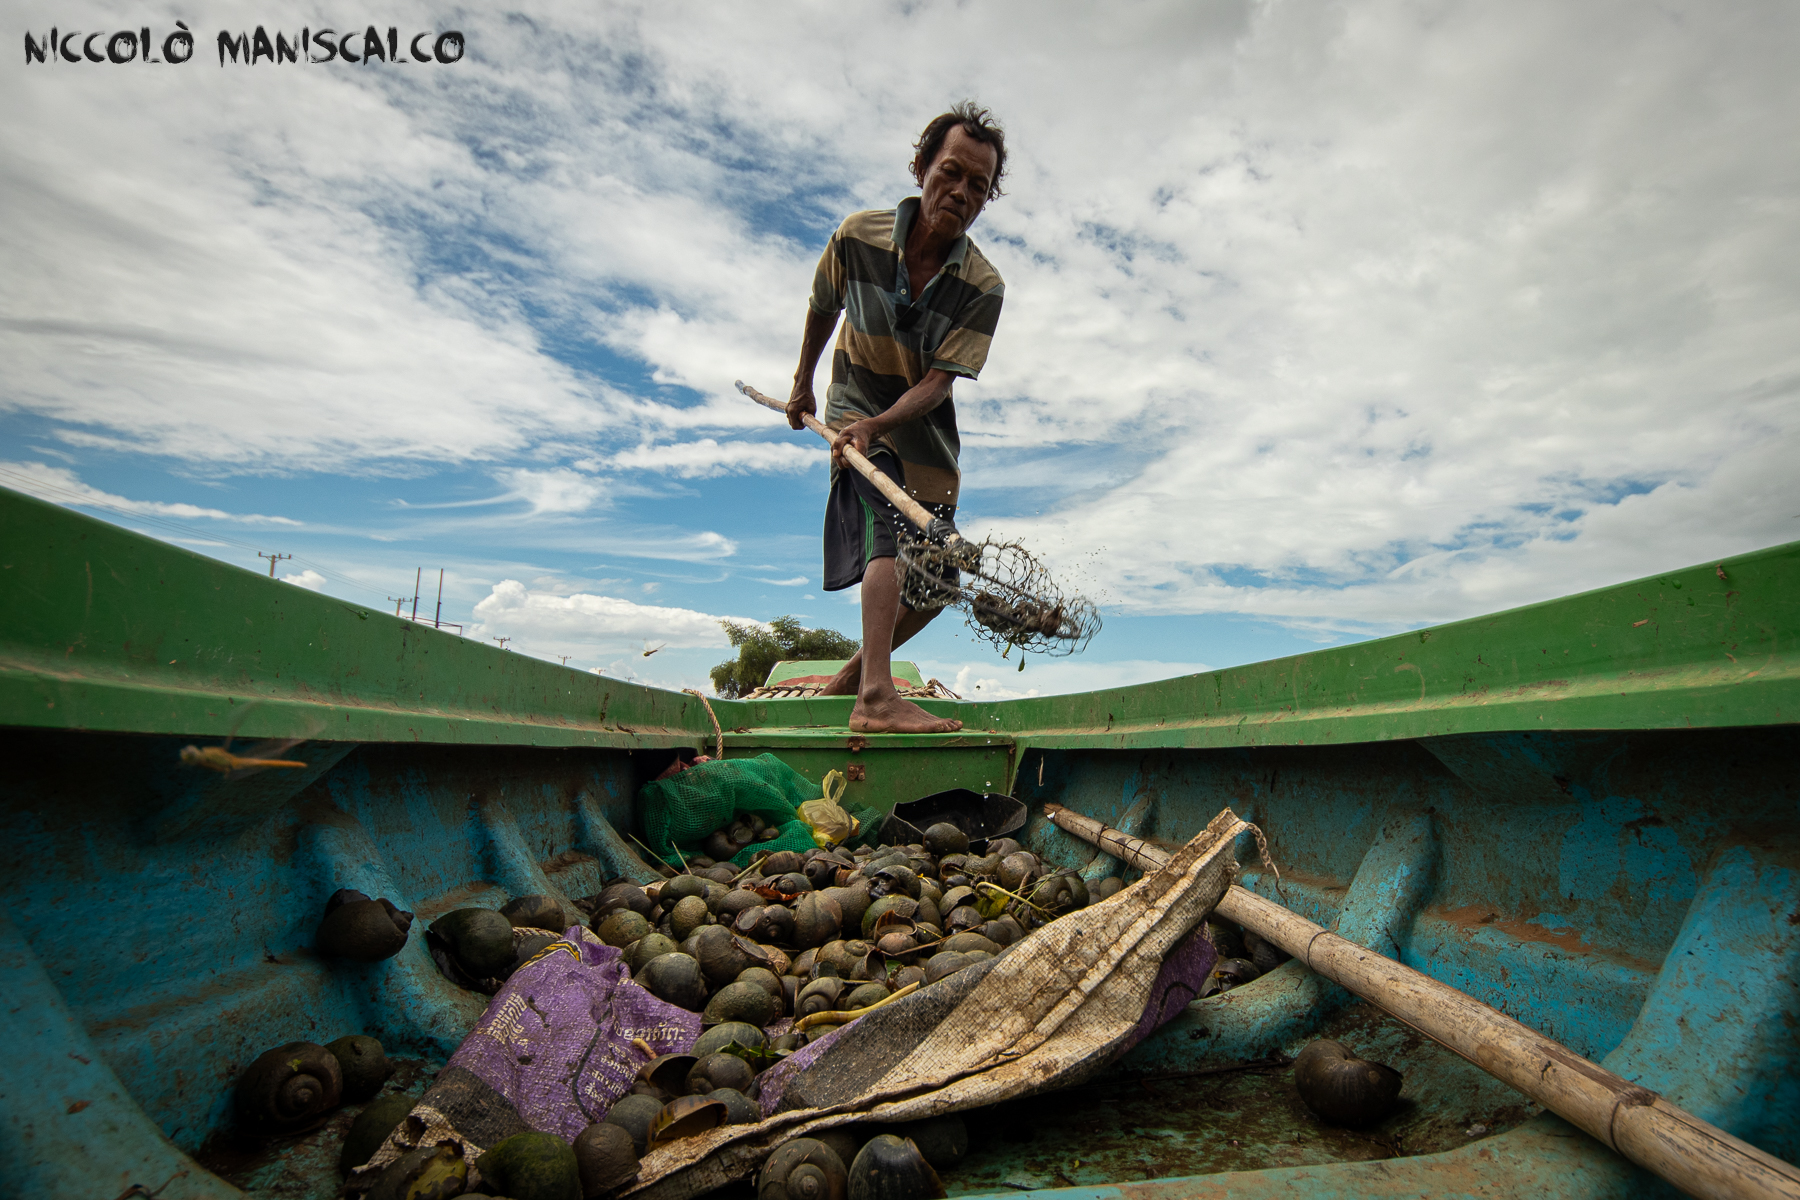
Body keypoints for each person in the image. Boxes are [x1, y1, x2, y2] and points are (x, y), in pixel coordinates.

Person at [786, 103, 1008, 734]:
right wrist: (802, 384)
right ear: (921, 168)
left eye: (978, 186)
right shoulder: (858, 236)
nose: (961, 192)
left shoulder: (983, 285)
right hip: (853, 407)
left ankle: (852, 677)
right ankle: (876, 699)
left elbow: (939, 382)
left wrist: (881, 426)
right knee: (885, 526)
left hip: (923, 435)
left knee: (941, 581)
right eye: (951, 172)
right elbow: (823, 306)